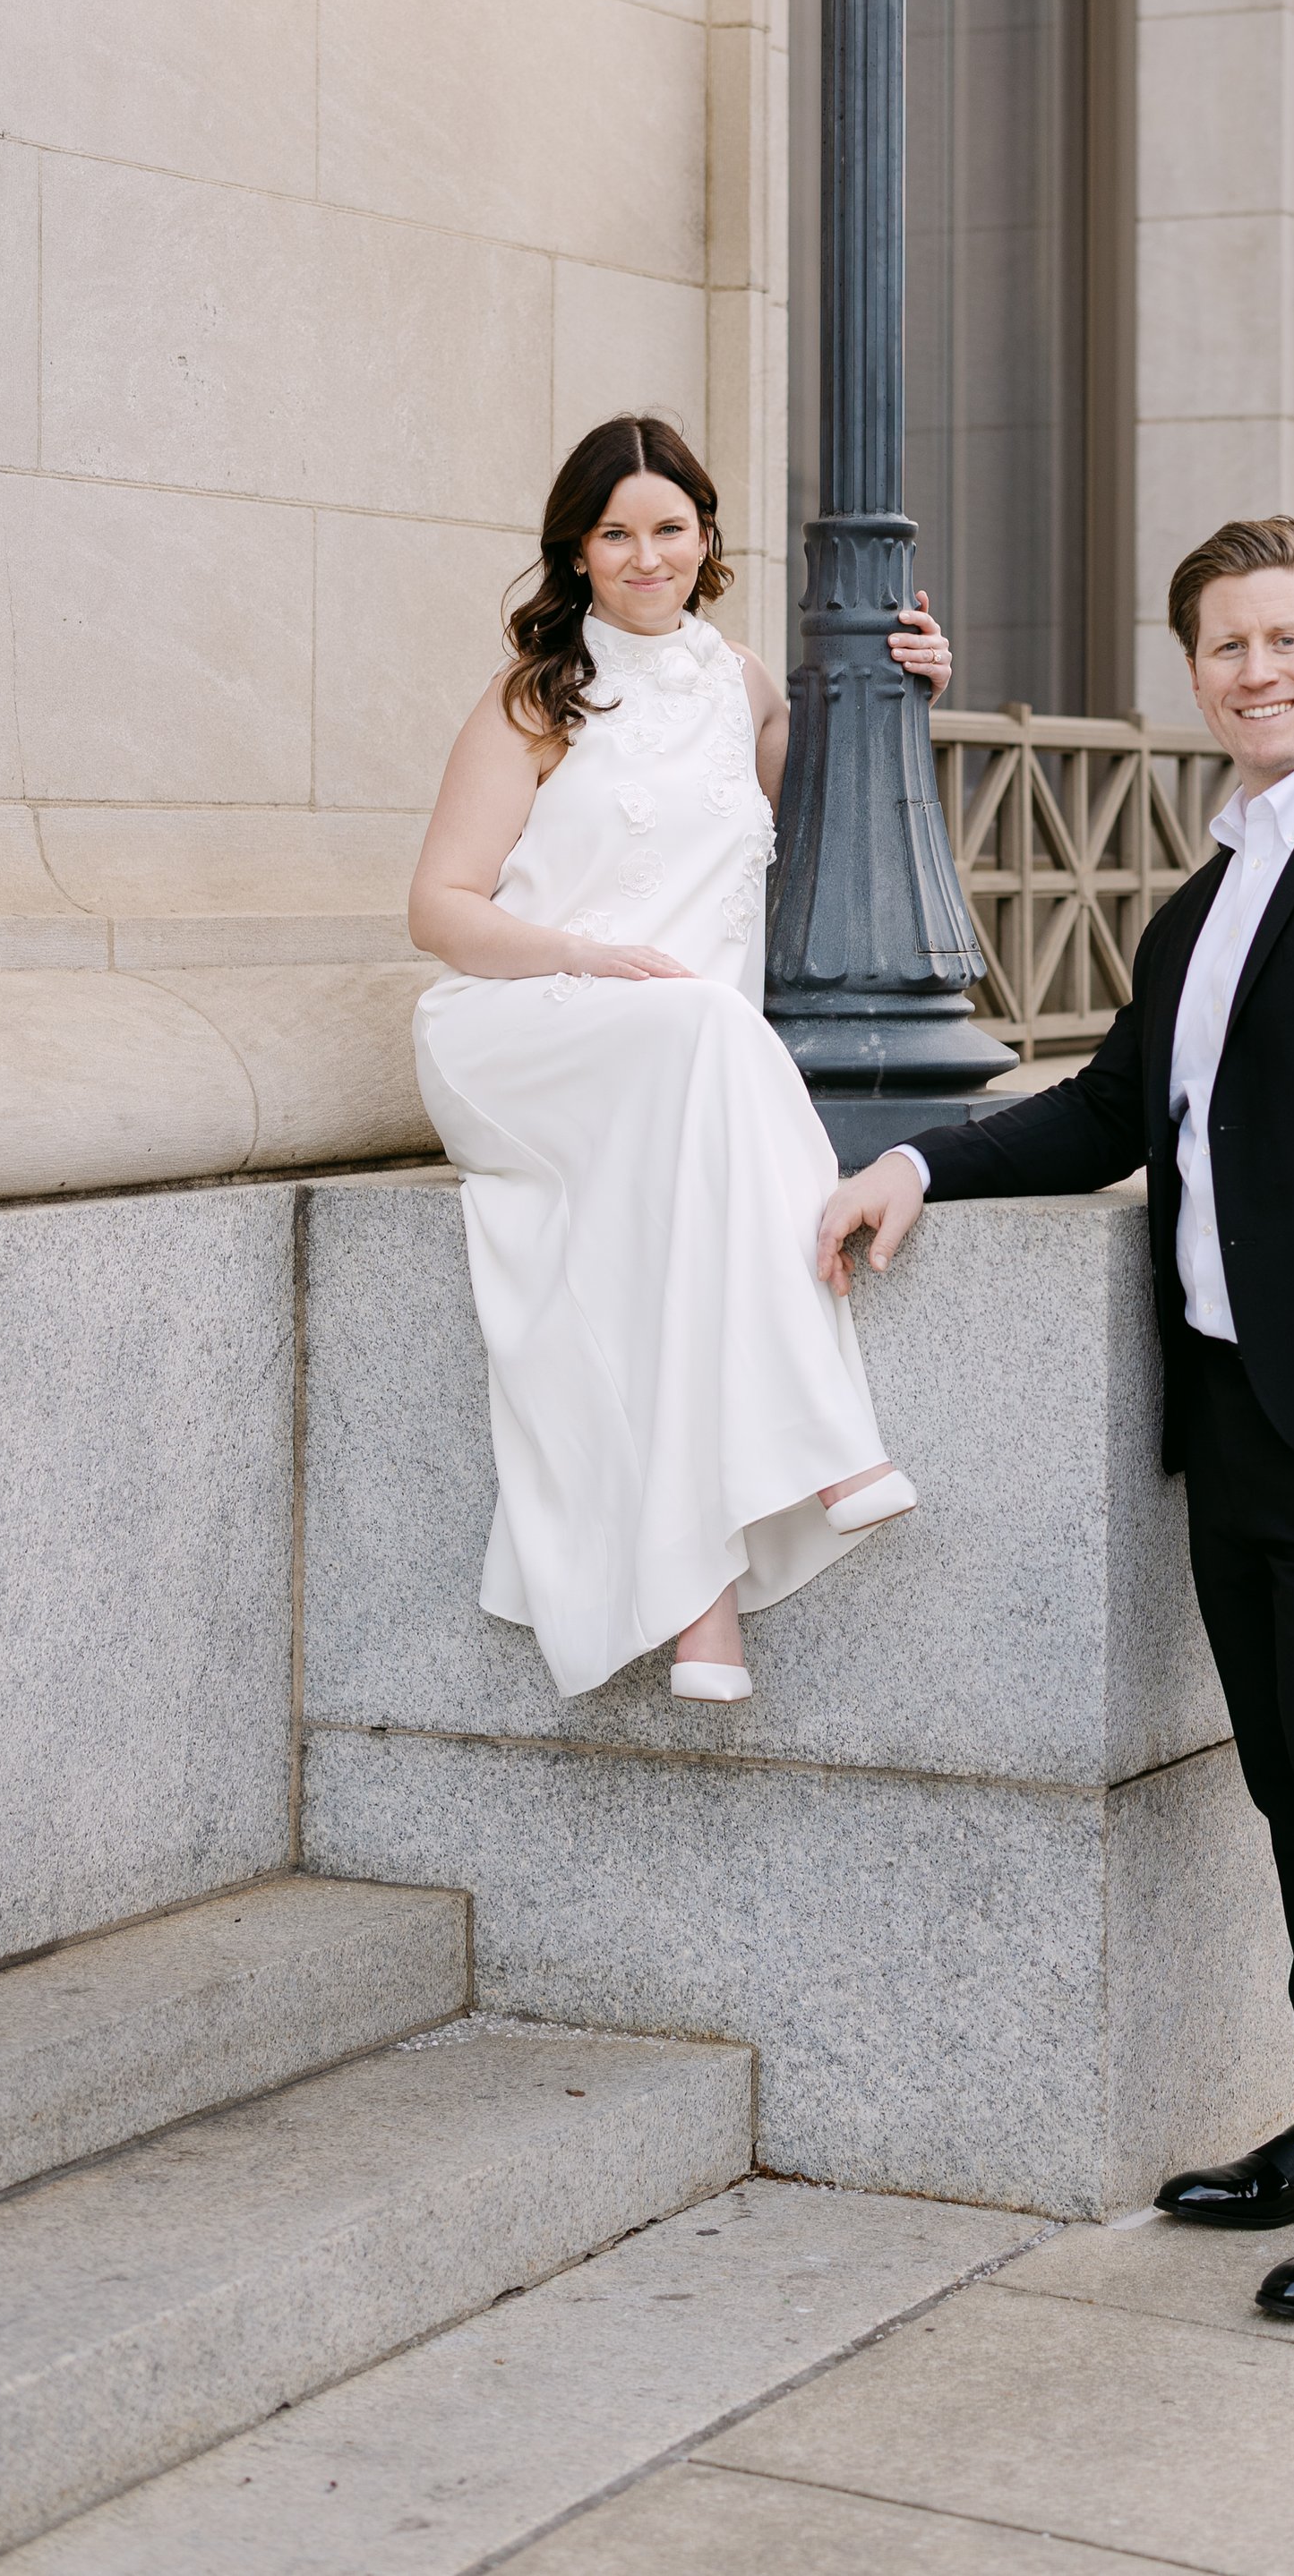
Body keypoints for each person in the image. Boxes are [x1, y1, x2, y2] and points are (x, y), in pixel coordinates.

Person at [819, 512, 1294, 2323]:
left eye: (1284, 639)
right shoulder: (1203, 893)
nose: (1253, 671)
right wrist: (917, 1157)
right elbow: (1106, 1116)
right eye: (1221, 648)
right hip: (1237, 1411)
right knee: (1292, 1778)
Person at [408, 414, 953, 1706]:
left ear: (706, 536)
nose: (645, 554)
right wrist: (590, 958)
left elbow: (836, 821)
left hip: (685, 1065)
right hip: (526, 1030)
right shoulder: (534, 696)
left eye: (669, 526)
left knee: (672, 1231)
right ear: (578, 551)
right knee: (713, 1021)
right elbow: (439, 907)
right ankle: (825, 1443)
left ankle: (703, 1613)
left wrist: (907, 695)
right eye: (615, 532)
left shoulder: (746, 685)